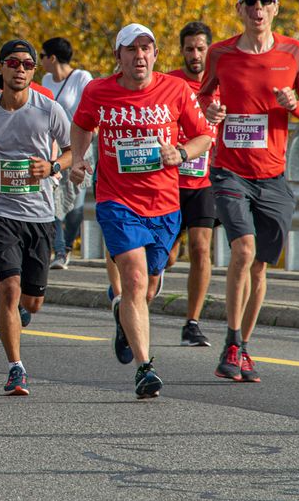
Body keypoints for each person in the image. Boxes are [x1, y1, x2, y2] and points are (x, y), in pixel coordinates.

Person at [69, 24, 212, 398]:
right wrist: (79, 159)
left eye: (146, 49)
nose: (139, 56)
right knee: (132, 280)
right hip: (117, 200)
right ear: (118, 57)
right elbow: (82, 124)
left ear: (155, 55)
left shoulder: (176, 89)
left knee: (147, 287)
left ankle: (123, 319)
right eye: (131, 50)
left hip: (165, 204)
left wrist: (181, 153)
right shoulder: (98, 90)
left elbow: (203, 136)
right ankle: (145, 368)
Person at [198, 0, 299, 383]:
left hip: (273, 175)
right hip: (229, 169)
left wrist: (295, 105)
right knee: (244, 249)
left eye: (264, 1)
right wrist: (211, 113)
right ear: (240, 9)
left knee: (261, 267)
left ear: (275, 8)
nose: (257, 8)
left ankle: (242, 347)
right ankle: (232, 340)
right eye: (250, 1)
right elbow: (203, 97)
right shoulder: (220, 53)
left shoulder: (294, 51)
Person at [0, 39, 72, 395]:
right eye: (13, 62)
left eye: (27, 64)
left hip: (40, 214)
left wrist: (53, 165)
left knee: (32, 300)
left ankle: (19, 318)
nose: (20, 69)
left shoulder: (49, 109)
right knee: (8, 287)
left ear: (34, 70)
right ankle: (15, 368)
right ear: (0, 68)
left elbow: (72, 152)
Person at [166, 21, 217, 347]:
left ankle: (192, 322)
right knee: (166, 258)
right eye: (189, 48)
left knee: (201, 249)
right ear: (182, 50)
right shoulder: (170, 82)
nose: (195, 55)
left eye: (201, 48)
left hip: (205, 180)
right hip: (169, 180)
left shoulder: (222, 84)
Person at [40, 37, 93, 269]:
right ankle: (59, 252)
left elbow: (91, 111)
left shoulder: (82, 78)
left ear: (52, 58)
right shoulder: (45, 80)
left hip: (81, 149)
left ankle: (68, 246)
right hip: (53, 150)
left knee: (76, 207)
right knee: (51, 202)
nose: (40, 61)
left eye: (42, 56)